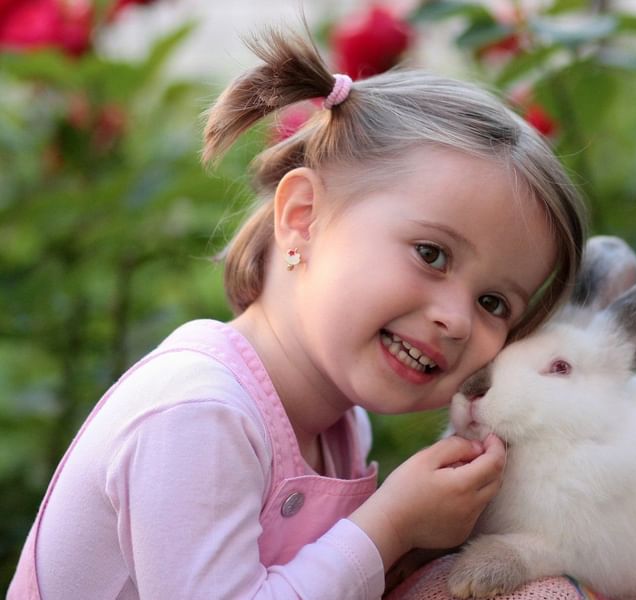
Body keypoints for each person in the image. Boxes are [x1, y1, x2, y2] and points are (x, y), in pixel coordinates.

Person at [8, 27, 586, 599]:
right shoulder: (199, 412)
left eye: (494, 303)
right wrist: (390, 526)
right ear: (304, 217)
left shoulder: (338, 426)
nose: (457, 320)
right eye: (431, 254)